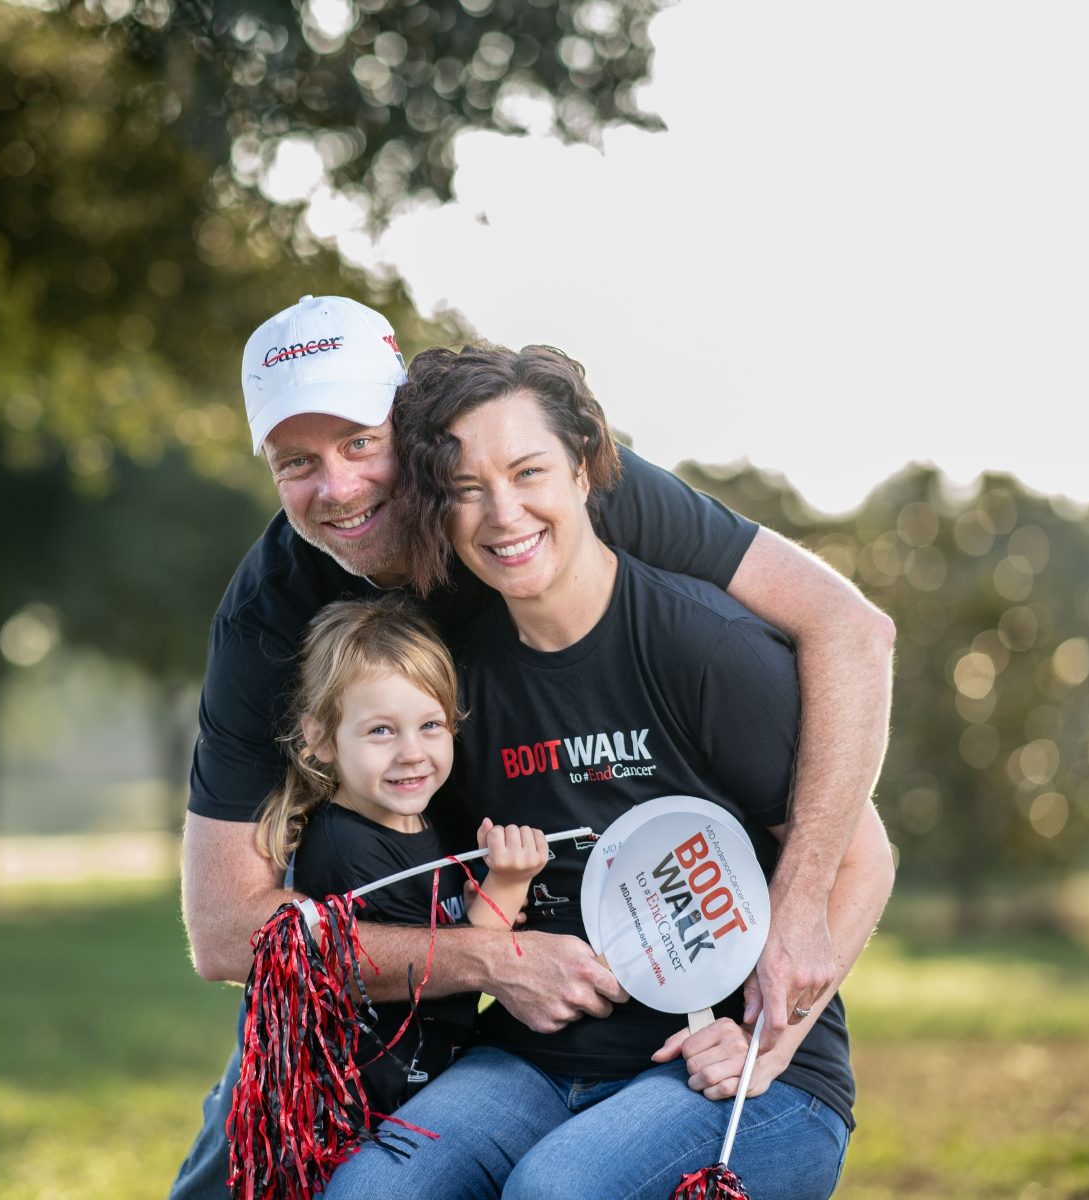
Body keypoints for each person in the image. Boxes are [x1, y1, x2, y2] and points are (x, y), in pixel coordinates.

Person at [170, 296, 895, 1197]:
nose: (340, 486)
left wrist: (790, 955)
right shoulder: (271, 614)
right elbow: (228, 932)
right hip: (446, 995)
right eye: (296, 463)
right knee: (256, 1166)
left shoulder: (568, 498)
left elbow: (849, 630)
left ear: (416, 431)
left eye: (361, 442)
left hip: (686, 1023)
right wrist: (493, 960)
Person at [254, 595, 548, 1118]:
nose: (411, 751)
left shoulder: (420, 819)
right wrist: (507, 884)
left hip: (429, 1084)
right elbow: (446, 982)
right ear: (321, 738)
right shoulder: (348, 849)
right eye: (381, 731)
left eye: (430, 725)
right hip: (379, 1111)